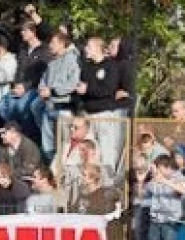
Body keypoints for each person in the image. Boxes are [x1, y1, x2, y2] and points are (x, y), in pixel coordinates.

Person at [75, 36, 125, 174]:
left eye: (89, 47)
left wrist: (88, 89)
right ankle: (90, 178)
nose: (86, 49)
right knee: (88, 150)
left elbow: (109, 90)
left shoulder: (111, 66)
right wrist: (80, 91)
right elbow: (83, 88)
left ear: (98, 48)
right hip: (88, 115)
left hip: (105, 115)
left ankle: (109, 182)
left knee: (107, 150)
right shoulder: (86, 67)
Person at [0, 22, 49, 141]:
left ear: (33, 32)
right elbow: (19, 70)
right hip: (19, 87)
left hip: (34, 88)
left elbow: (41, 74)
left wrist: (25, 87)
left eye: (25, 31)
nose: (22, 33)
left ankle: (28, 137)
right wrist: (16, 85)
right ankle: (15, 129)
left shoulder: (44, 50)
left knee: (21, 107)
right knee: (0, 106)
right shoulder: (23, 50)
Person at [37, 32, 80, 159]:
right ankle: (52, 171)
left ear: (62, 44)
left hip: (64, 108)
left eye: (53, 43)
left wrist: (53, 91)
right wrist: (42, 89)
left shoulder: (73, 60)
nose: (50, 46)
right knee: (48, 146)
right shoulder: (51, 62)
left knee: (65, 145)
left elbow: (73, 84)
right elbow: (43, 80)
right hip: (49, 106)